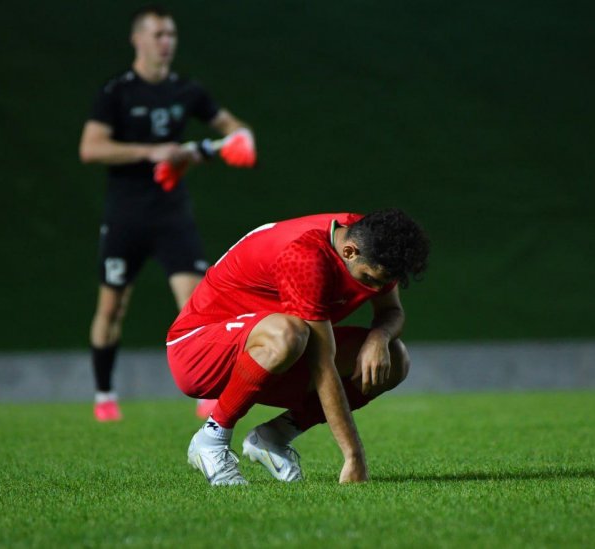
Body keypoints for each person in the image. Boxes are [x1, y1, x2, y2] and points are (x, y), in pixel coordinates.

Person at [79, 5, 255, 422]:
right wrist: (150, 152)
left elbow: (236, 131)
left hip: (172, 215)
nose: (166, 43)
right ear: (137, 40)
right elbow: (91, 148)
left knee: (198, 307)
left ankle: (205, 394)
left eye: (171, 35)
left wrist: (204, 151)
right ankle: (105, 394)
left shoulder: (187, 92)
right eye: (158, 34)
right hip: (126, 216)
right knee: (112, 310)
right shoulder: (116, 92)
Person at [166, 209, 430, 485]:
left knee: (396, 359)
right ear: (350, 252)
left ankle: (273, 436)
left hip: (269, 351)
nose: (375, 289)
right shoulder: (305, 257)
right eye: (369, 279)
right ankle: (211, 439)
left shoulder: (370, 237)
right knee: (288, 333)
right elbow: (322, 364)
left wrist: (380, 337)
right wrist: (354, 457)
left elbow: (391, 311)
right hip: (198, 349)